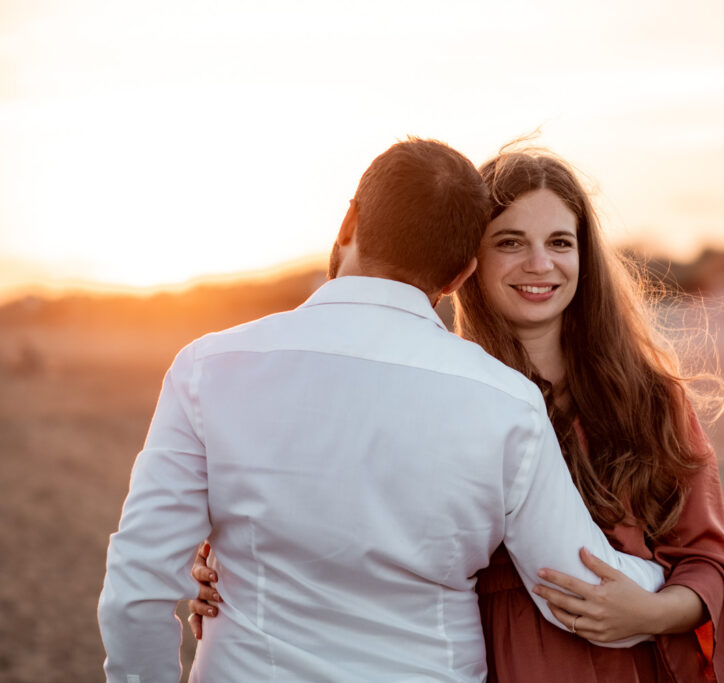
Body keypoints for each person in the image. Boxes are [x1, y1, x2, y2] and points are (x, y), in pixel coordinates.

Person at [97, 138, 671, 683]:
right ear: (461, 275)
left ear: (349, 223)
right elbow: (574, 587)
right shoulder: (507, 401)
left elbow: (138, 584)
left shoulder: (208, 368)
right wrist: (678, 591)